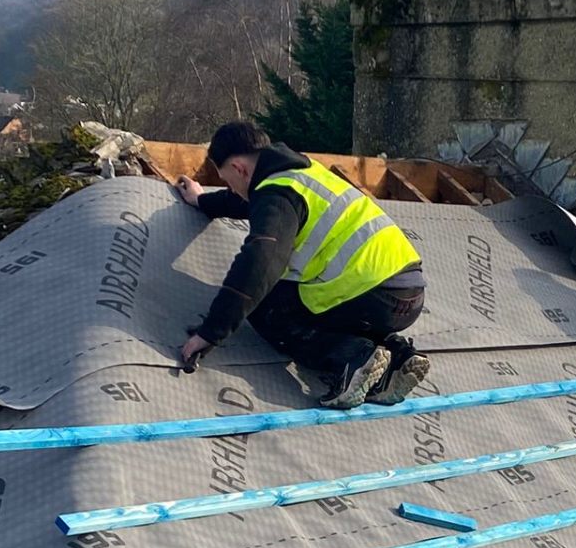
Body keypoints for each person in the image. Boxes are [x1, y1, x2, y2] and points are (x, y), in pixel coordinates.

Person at [174, 121, 431, 408]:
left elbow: (259, 265)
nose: (232, 190)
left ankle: (351, 359)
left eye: (228, 182)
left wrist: (211, 332)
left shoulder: (277, 195)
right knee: (328, 303)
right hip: (407, 293)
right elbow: (250, 202)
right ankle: (397, 358)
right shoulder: (301, 173)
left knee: (264, 305)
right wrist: (203, 200)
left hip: (370, 294)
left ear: (239, 168)